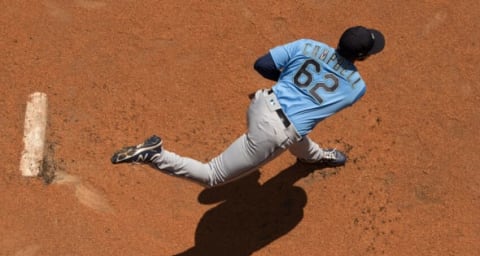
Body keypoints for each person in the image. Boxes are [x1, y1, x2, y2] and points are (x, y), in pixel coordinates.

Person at [111, 26, 385, 188]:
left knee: (298, 129)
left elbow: (262, 64)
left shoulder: (308, 45)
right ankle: (155, 155)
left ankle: (314, 157)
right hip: (274, 132)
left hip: (262, 102)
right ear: (362, 57)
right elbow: (312, 102)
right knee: (212, 177)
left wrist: (288, 83)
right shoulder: (356, 88)